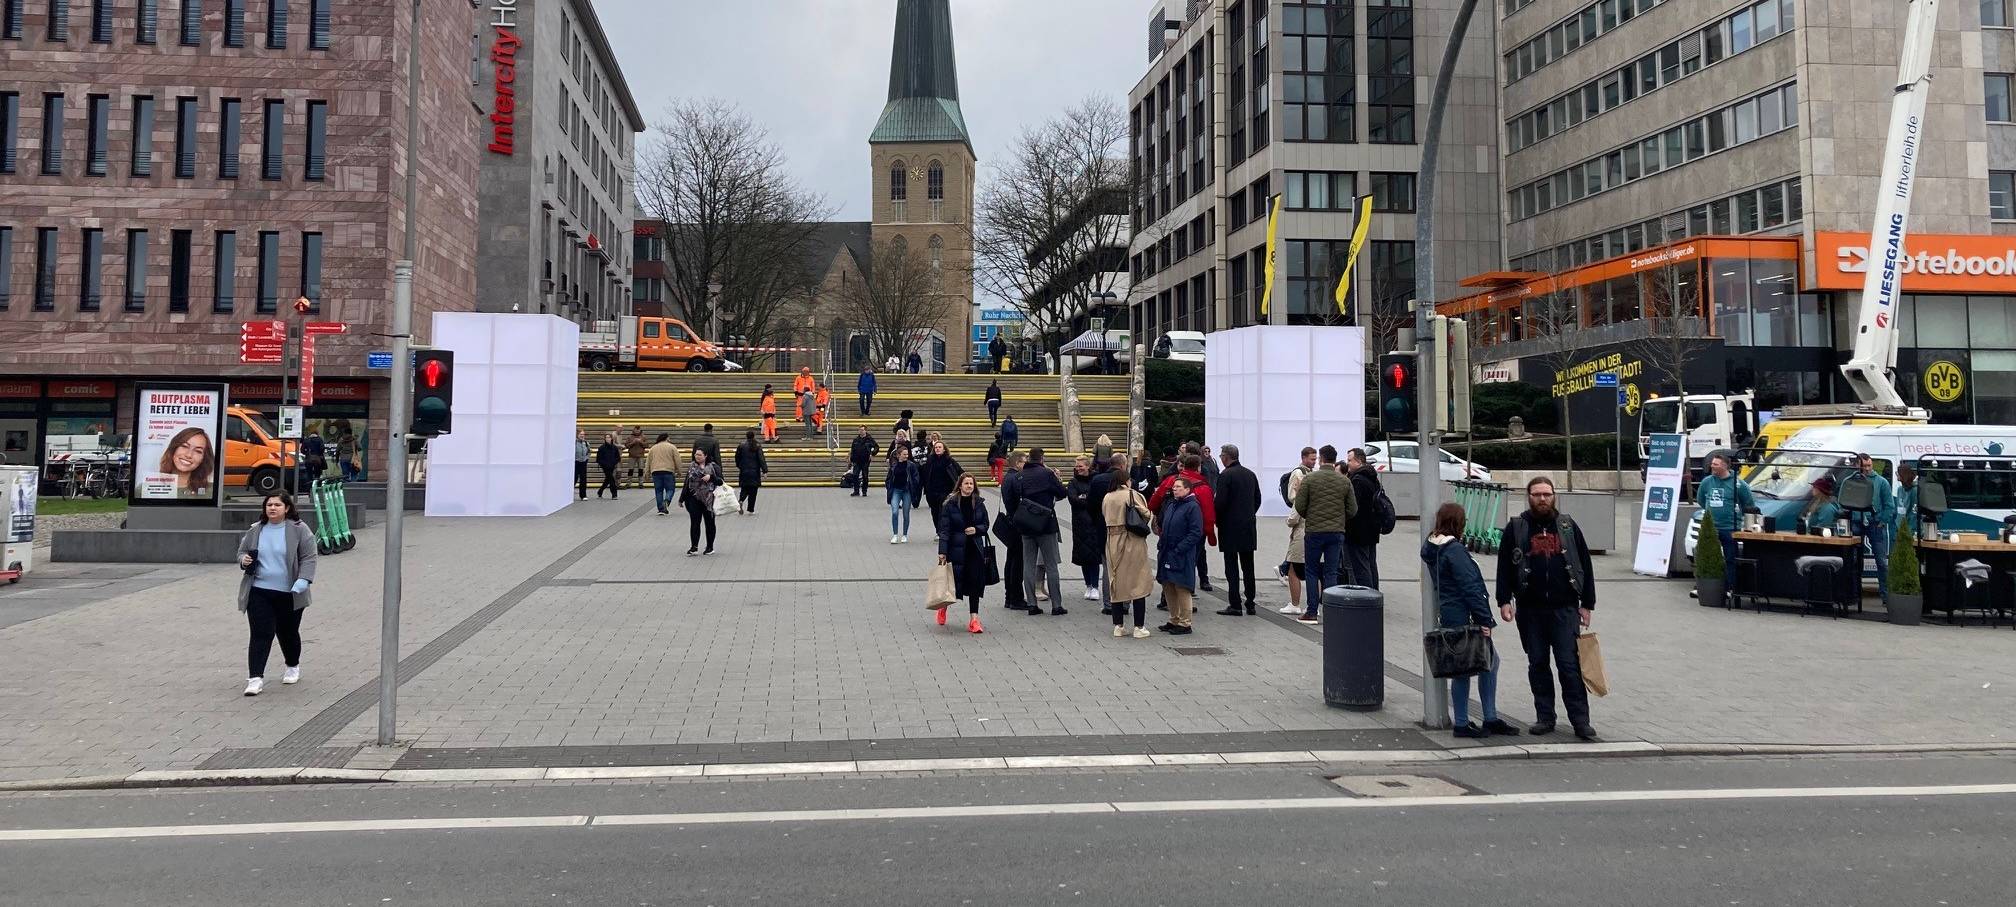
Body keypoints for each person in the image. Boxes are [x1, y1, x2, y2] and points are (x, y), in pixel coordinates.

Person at [1496, 477, 1598, 741]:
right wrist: (1504, 600)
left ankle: (1580, 720)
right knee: (1538, 664)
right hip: (1530, 610)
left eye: (1547, 494)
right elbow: (1504, 566)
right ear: (1528, 496)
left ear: (1554, 496)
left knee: (1569, 665)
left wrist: (1587, 603)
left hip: (1565, 609)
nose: (1542, 499)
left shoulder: (1567, 526)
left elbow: (1585, 564)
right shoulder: (1517, 527)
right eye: (1537, 494)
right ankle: (1545, 717)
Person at [1425, 502, 1519, 739]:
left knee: (1465, 667)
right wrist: (1485, 620)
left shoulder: (1432, 548)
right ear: (1458, 523)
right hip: (1464, 614)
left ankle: (1475, 720)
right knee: (1484, 663)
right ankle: (1473, 721)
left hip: (1449, 612)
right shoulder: (1454, 551)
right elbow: (1470, 587)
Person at [235, 494, 317, 697]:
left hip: (290, 592)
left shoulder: (299, 529)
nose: (272, 508)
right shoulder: (256, 529)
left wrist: (304, 579)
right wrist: (243, 559)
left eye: (277, 505)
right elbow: (242, 551)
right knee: (260, 633)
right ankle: (255, 678)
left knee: (287, 632)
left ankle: (292, 665)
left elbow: (309, 557)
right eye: (269, 505)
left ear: (287, 508)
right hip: (259, 590)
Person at [1292, 445, 1357, 624]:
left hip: (1314, 532)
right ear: (1335, 459)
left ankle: (1312, 611)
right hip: (1336, 533)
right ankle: (1331, 611)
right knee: (1331, 572)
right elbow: (1352, 509)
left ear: (1321, 459)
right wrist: (1339, 519)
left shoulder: (1310, 479)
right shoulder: (1344, 481)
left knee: (1311, 571)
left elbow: (1300, 505)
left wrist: (1311, 516)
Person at [1006, 448, 1069, 615]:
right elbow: (1062, 492)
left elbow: (1015, 497)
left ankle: (1032, 604)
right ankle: (1056, 605)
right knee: (1051, 565)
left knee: (1028, 564)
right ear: (1042, 459)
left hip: (1026, 524)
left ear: (1028, 459)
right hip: (1046, 524)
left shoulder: (1019, 476)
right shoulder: (1047, 474)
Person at [1102, 455, 1156, 638]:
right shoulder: (1132, 495)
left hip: (1112, 540)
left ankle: (1118, 625)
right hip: (1131, 540)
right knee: (1138, 582)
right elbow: (1146, 514)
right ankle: (1139, 627)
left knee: (1116, 581)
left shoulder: (1107, 497)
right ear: (1126, 480)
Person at [1148, 453, 1218, 594]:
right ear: (1198, 467)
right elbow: (1208, 515)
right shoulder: (1203, 487)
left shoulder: (1171, 481)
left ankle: (1166, 595)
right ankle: (1184, 594)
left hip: (1169, 528)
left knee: (1167, 560)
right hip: (1192, 533)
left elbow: (1153, 502)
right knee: (1187, 564)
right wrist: (1210, 535)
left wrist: (1160, 516)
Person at [937, 472, 992, 633]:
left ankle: (974, 619)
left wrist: (977, 529)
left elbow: (986, 524)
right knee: (953, 583)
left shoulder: (979, 503)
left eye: (971, 484)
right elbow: (944, 529)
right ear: (960, 485)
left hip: (974, 549)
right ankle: (943, 607)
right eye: (966, 483)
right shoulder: (950, 504)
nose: (969, 486)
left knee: (975, 583)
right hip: (956, 549)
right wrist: (942, 551)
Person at [1212, 445, 1261, 616]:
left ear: (1226, 457)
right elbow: (1257, 498)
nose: (1220, 459)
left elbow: (1220, 502)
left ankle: (1235, 604)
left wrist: (1218, 520)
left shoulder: (1225, 475)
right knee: (1248, 566)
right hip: (1247, 526)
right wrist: (1249, 513)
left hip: (1229, 527)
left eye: (1221, 456)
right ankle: (1251, 603)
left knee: (1231, 566)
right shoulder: (1250, 474)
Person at [1156, 477, 1204, 635]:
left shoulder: (1192, 506)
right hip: (1167, 551)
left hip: (1181, 553)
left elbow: (1196, 532)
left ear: (1187, 489)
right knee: (1168, 585)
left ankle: (1185, 623)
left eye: (1178, 487)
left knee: (1181, 586)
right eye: (1174, 487)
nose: (1174, 489)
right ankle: (1174, 619)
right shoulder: (1172, 504)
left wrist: (1180, 548)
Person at [1696, 451, 1756, 572]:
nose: (1712, 466)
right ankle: (1711, 581)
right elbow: (1701, 500)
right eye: (1712, 464)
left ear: (1725, 466)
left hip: (1729, 528)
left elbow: (1748, 504)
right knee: (1708, 558)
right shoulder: (1706, 482)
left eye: (1716, 464)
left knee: (1731, 559)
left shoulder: (1739, 484)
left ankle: (1731, 582)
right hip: (1711, 527)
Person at [1851, 452, 1897, 600]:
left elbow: (1889, 505)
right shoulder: (1850, 480)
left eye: (1869, 465)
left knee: (1881, 561)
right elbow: (1843, 500)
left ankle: (1885, 595)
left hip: (1874, 522)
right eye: (1864, 466)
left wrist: (1882, 521)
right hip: (1856, 521)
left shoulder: (1881, 482)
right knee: (1853, 559)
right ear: (1857, 465)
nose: (1867, 468)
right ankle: (1854, 593)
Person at [1277, 447, 1318, 616]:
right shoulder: (1299, 473)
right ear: (1303, 458)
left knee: (1295, 568)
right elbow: (1293, 497)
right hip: (1308, 524)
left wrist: (1291, 520)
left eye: (1315, 459)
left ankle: (1297, 604)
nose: (1314, 462)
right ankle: (1311, 605)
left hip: (1302, 526)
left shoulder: (1310, 474)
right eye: (1312, 459)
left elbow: (1297, 503)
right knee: (1310, 568)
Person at [1344, 448, 1386, 589]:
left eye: (1350, 460)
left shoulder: (1357, 480)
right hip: (1372, 529)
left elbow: (1353, 507)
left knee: (1361, 568)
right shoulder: (1372, 477)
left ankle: (1367, 596)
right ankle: (1374, 593)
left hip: (1358, 532)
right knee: (1370, 564)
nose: (1347, 463)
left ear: (1358, 461)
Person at [1066, 456, 1104, 602]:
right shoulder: (1073, 482)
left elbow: (1098, 499)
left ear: (1088, 466)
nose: (1078, 468)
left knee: (1094, 556)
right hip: (1079, 524)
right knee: (1083, 556)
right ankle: (1088, 584)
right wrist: (1086, 499)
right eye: (1076, 466)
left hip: (1094, 522)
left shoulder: (1096, 480)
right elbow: (1073, 499)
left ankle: (1095, 586)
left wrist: (1084, 498)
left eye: (1081, 466)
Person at [996, 452, 1029, 612]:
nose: (1026, 465)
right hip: (1018, 523)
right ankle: (1016, 597)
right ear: (1017, 463)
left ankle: (1009, 596)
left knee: (1011, 560)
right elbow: (1020, 499)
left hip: (1010, 521)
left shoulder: (1007, 477)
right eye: (1024, 462)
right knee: (1018, 562)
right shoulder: (1016, 478)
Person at [682, 448, 723, 556]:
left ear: (705, 456)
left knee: (710, 523)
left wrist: (711, 477)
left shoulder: (713, 467)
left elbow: (720, 481)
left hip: (709, 499)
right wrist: (682, 498)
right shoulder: (692, 466)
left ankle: (710, 547)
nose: (697, 456)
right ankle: (694, 547)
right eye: (696, 454)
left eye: (699, 455)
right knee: (695, 523)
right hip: (694, 498)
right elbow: (687, 482)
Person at [159, 426, 216, 499]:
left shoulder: (213, 491)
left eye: (198, 451)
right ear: (173, 448)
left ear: (203, 459)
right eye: (184, 446)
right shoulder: (148, 487)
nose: (189, 455)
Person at [920, 438, 963, 531]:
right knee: (935, 512)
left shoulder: (949, 460)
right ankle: (938, 530)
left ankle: (943, 531)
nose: (937, 449)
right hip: (932, 491)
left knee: (942, 511)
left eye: (939, 447)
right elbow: (925, 474)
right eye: (936, 447)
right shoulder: (930, 460)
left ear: (944, 449)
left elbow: (961, 472)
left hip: (946, 490)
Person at [887, 445, 920, 543]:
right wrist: (889, 487)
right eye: (904, 454)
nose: (906, 456)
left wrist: (913, 486)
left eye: (907, 454)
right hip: (896, 490)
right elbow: (889, 478)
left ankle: (905, 534)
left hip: (907, 491)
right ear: (898, 455)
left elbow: (916, 477)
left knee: (906, 513)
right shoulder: (894, 465)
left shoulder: (911, 465)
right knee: (894, 512)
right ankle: (895, 534)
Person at [734, 430, 768, 514]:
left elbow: (737, 457)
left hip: (744, 470)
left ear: (746, 436)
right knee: (753, 490)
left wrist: (739, 466)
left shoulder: (741, 445)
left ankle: (741, 500)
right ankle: (750, 509)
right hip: (754, 471)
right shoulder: (757, 445)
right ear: (754, 436)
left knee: (744, 488)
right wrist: (764, 471)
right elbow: (761, 459)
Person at [647, 433, 682, 516]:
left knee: (658, 491)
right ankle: (667, 500)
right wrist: (679, 471)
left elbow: (648, 461)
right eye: (669, 438)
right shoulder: (672, 447)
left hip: (655, 471)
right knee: (670, 489)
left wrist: (647, 473)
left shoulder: (653, 448)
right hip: (668, 471)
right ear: (666, 438)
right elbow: (677, 460)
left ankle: (661, 509)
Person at [849, 427, 880, 498]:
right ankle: (856, 491)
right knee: (855, 475)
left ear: (865, 431)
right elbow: (852, 449)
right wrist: (851, 459)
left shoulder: (870, 439)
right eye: (860, 430)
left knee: (865, 476)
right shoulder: (856, 440)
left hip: (865, 460)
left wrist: (872, 453)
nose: (861, 431)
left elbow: (876, 447)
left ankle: (864, 491)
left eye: (862, 430)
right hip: (857, 460)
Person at [595, 432, 622, 499]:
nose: (608, 439)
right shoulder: (601, 448)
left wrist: (614, 462)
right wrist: (603, 464)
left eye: (609, 437)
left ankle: (600, 491)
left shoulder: (614, 448)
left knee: (607, 479)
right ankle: (614, 494)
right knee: (611, 479)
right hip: (605, 467)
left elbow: (618, 457)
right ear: (604, 439)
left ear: (611, 438)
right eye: (606, 437)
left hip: (612, 466)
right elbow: (598, 459)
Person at [1896, 465, 1919, 535]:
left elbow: (1914, 513)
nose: (1896, 475)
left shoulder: (1915, 491)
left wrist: (1910, 530)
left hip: (1909, 530)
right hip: (1899, 528)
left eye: (1898, 473)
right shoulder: (1900, 489)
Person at [572, 430, 591, 500]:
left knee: (583, 479)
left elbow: (589, 452)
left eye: (583, 434)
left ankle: (583, 495)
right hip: (576, 462)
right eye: (580, 434)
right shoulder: (573, 443)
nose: (582, 435)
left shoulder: (586, 443)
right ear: (577, 435)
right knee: (574, 479)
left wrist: (586, 458)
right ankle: (567, 494)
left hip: (583, 463)